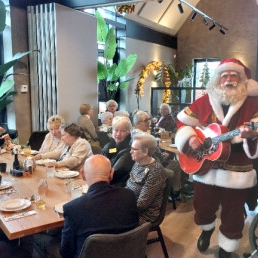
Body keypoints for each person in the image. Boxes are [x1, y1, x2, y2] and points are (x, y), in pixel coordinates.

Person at [175, 58, 258, 258]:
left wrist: (251, 135)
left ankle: (227, 246)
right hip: (206, 166)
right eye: (225, 75)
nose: (229, 80)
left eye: (234, 75)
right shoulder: (205, 100)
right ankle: (206, 229)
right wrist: (191, 137)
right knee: (202, 205)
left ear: (242, 78)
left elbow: (255, 131)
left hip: (237, 166)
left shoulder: (254, 102)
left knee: (234, 211)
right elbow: (182, 122)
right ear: (218, 78)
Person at [59, 155, 139, 258]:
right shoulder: (129, 195)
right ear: (111, 173)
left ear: (82, 174)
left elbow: (65, 252)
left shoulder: (72, 208)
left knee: (42, 242)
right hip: (127, 253)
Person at [126, 134, 167, 224]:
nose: (130, 152)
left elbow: (142, 204)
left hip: (144, 215)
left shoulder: (155, 171)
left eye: (134, 149)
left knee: (108, 218)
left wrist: (121, 207)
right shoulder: (138, 162)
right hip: (130, 206)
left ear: (145, 151)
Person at [102, 116, 134, 186]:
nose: (118, 134)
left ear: (128, 132)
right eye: (116, 130)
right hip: (106, 183)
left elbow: (112, 175)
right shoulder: (111, 146)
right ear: (112, 131)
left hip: (118, 187)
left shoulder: (128, 151)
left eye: (123, 131)